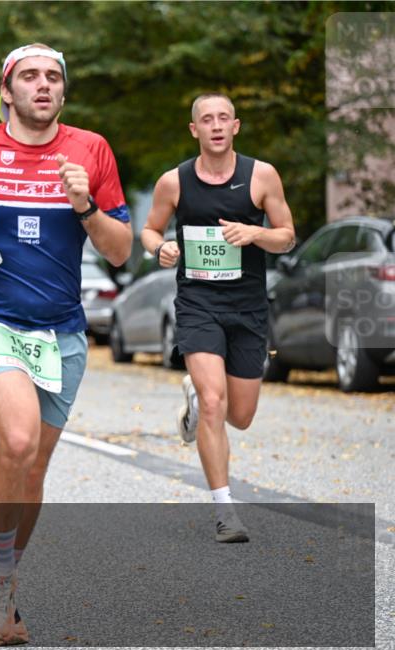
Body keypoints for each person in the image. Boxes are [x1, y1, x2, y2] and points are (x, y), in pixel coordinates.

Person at [0, 43, 132, 645]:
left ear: (63, 91)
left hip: (62, 330)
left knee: (33, 469)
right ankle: (2, 577)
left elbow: (119, 251)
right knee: (16, 438)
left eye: (54, 77)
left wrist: (85, 205)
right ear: (7, 90)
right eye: (30, 76)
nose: (44, 85)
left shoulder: (91, 150)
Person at [141, 92, 295, 543]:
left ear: (236, 126)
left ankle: (196, 398)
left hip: (247, 307)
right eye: (206, 119)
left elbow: (286, 237)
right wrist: (160, 247)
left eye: (223, 118)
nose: (215, 126)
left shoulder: (261, 176)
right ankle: (226, 510)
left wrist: (256, 233)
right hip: (198, 304)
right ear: (194, 130)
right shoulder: (175, 182)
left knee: (240, 415)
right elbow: (150, 229)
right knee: (214, 403)